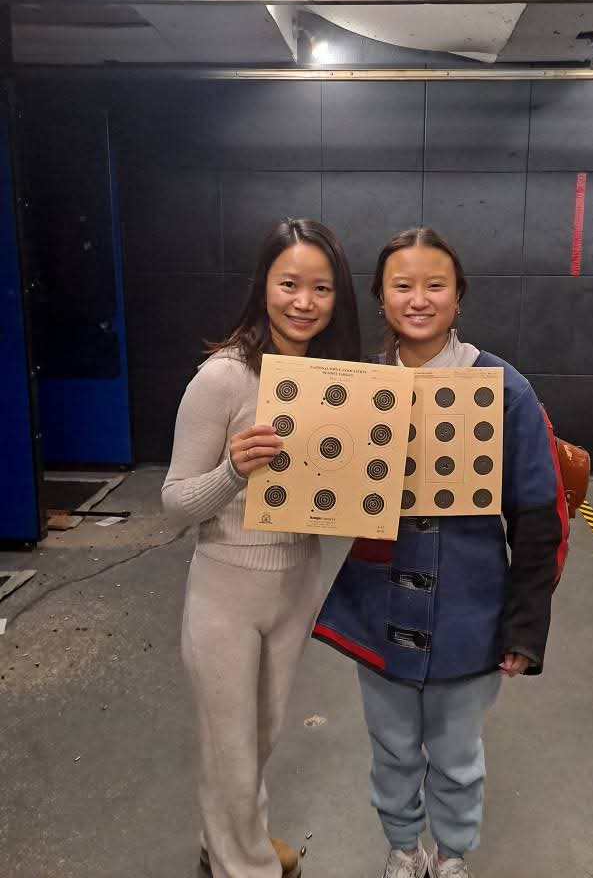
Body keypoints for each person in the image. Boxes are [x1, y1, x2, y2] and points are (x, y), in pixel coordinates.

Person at [313, 228, 565, 878]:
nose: (418, 299)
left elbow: (541, 518)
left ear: (458, 297)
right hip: (378, 606)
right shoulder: (354, 390)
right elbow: (317, 492)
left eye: (435, 285)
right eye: (402, 285)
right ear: (381, 297)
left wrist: (525, 625)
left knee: (456, 753)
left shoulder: (505, 389)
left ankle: (452, 856)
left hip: (469, 614)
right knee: (392, 748)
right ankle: (402, 847)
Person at [162, 219, 360, 878]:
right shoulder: (223, 378)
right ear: (264, 286)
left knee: (258, 737)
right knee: (232, 750)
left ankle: (224, 837)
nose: (304, 302)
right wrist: (231, 473)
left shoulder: (339, 383)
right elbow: (173, 502)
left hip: (296, 581)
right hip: (226, 588)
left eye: (321, 288)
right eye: (289, 284)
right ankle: (241, 865)